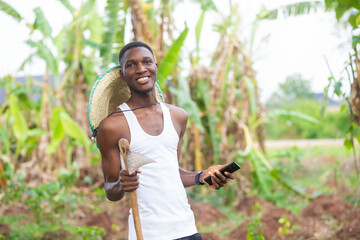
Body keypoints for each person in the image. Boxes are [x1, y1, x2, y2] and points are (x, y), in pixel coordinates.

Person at [90, 41, 236, 240]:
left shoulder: (177, 116)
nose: (141, 69)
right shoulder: (112, 126)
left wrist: (202, 176)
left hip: (186, 229)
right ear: (122, 74)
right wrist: (123, 184)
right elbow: (111, 190)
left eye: (146, 62)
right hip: (148, 233)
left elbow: (171, 172)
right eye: (131, 65)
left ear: (155, 66)